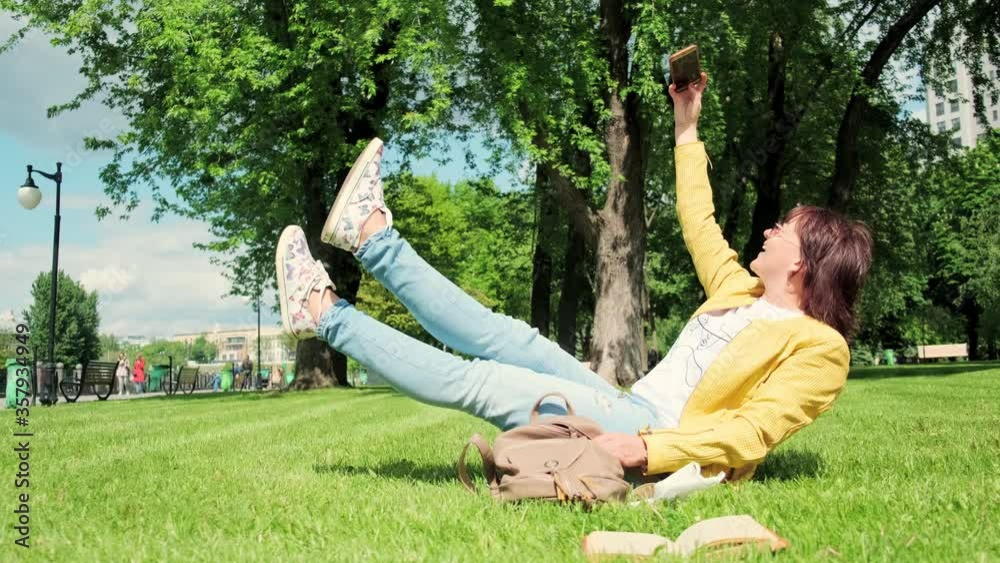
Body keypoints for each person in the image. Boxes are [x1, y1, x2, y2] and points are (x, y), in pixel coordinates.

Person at [273, 73, 873, 481]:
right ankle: (372, 237)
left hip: (651, 432)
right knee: (507, 336)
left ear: (803, 261)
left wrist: (650, 448)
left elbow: (755, 431)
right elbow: (699, 217)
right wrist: (686, 125)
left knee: (484, 380)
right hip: (627, 402)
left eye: (784, 230)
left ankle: (326, 313)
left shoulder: (820, 349)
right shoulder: (737, 293)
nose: (768, 231)